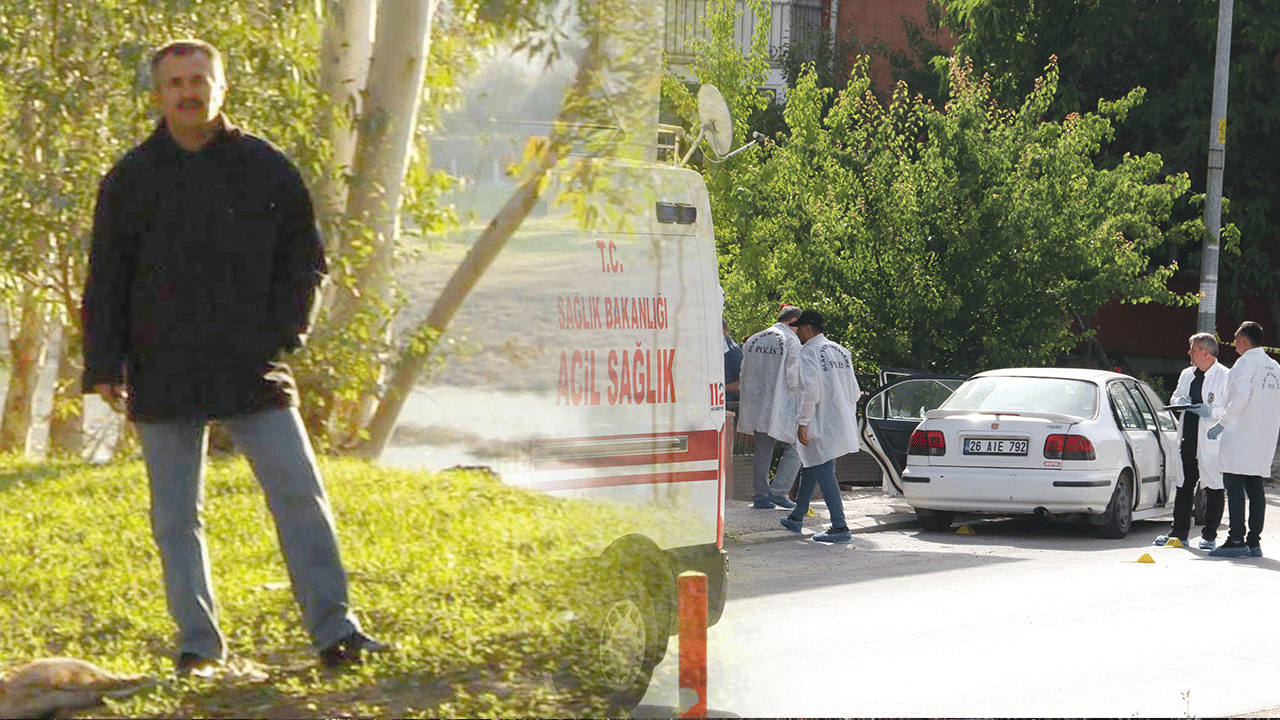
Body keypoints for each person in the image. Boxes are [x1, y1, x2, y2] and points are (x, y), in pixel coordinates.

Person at [80, 39, 386, 673]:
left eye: (200, 80)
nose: (189, 93)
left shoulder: (265, 168)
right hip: (161, 366)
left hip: (251, 364)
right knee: (175, 519)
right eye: (175, 83)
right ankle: (198, 646)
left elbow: (306, 259)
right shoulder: (130, 178)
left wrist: (285, 334)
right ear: (158, 94)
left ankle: (337, 633)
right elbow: (106, 276)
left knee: (300, 496)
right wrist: (105, 364)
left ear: (221, 88)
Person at [778, 311, 861, 543]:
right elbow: (854, 392)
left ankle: (840, 527)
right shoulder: (841, 351)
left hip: (818, 419)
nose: (796, 333)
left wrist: (803, 422)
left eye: (799, 328)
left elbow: (810, 390)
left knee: (823, 468)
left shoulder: (808, 352)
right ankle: (797, 516)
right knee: (812, 464)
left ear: (808, 328)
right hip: (838, 419)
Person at [1205, 321, 1280, 558]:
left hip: (1241, 432)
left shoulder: (1246, 362)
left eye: (1237, 338)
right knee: (1255, 486)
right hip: (1264, 435)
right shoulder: (1273, 365)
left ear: (1245, 341)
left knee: (1234, 483)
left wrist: (1222, 423)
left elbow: (1241, 397)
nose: (1234, 342)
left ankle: (1236, 539)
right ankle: (1253, 542)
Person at [1153, 333, 1227, 550]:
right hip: (1188, 438)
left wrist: (1210, 411)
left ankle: (1209, 537)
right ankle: (1179, 533)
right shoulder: (1187, 374)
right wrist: (1180, 401)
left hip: (1211, 441)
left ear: (1206, 352)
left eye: (1193, 350)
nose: (1189, 353)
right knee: (1184, 486)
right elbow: (1175, 397)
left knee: (1213, 487)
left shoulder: (1225, 376)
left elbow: (1231, 408)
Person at [738, 306, 802, 509]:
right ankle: (778, 490)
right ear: (793, 321)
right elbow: (793, 378)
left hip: (756, 404)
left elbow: (743, 373)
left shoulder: (754, 340)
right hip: (783, 403)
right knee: (796, 448)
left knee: (762, 452)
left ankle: (760, 496)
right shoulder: (791, 341)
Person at [722, 317, 743, 403]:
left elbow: (741, 383)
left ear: (724, 331)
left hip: (729, 403)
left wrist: (720, 388)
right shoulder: (719, 348)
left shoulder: (733, 352)